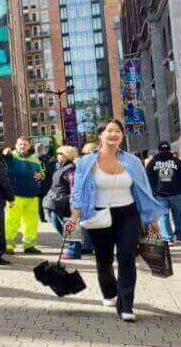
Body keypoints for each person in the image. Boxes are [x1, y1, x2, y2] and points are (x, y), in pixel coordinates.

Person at [67, 118, 164, 322]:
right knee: (104, 259)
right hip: (98, 215)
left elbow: (144, 191)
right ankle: (109, 292)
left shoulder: (133, 161)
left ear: (121, 135)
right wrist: (74, 218)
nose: (113, 134)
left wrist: (151, 220)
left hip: (127, 214)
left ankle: (126, 305)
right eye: (109, 131)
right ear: (100, 135)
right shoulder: (86, 162)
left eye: (117, 131)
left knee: (127, 257)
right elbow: (78, 192)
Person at [4, 136, 44, 254]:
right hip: (15, 196)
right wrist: (6, 153)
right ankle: (8, 245)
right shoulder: (11, 156)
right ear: (16, 145)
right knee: (12, 221)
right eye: (20, 144)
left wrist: (41, 175)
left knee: (31, 222)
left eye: (25, 144)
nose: (23, 146)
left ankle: (29, 245)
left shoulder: (35, 159)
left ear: (29, 146)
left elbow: (41, 172)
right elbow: (5, 159)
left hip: (32, 196)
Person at [146, 141, 181, 242]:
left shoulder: (152, 163)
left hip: (160, 194)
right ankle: (180, 236)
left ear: (158, 150)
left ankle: (168, 237)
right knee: (179, 215)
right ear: (169, 149)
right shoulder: (177, 161)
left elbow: (148, 178)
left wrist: (152, 192)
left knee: (163, 216)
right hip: (177, 193)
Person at [43, 145, 78, 237]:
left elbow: (73, 184)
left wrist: (72, 198)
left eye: (59, 153)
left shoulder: (70, 169)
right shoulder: (61, 167)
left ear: (67, 155)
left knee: (58, 219)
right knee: (51, 215)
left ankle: (70, 240)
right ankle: (68, 239)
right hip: (55, 197)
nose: (57, 155)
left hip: (62, 199)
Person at [36, 142, 56, 221]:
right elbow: (47, 171)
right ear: (42, 149)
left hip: (41, 183)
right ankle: (45, 217)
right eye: (44, 148)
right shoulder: (42, 159)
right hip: (43, 183)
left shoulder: (40, 158)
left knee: (41, 201)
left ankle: (42, 217)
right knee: (46, 200)